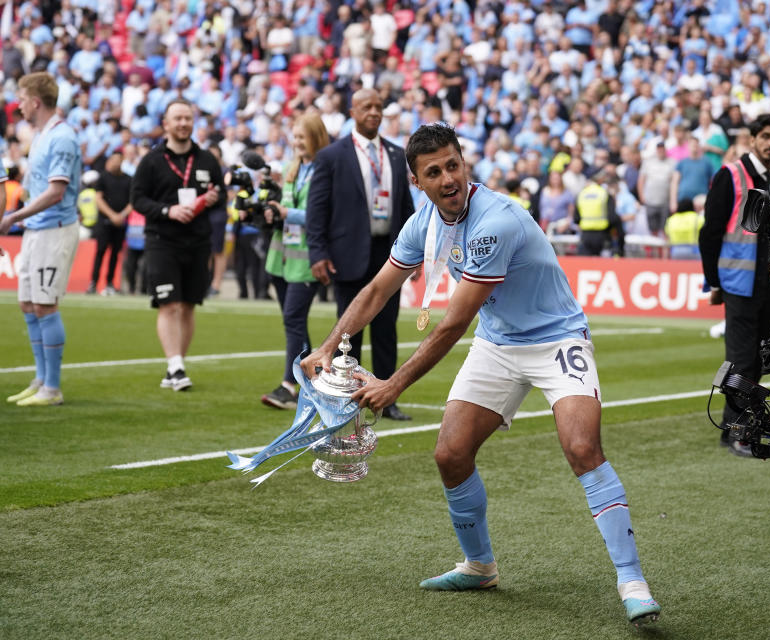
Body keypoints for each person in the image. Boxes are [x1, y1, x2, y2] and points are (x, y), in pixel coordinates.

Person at [300, 123, 662, 628]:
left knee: (582, 448)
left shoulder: (497, 219)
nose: (448, 177)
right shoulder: (421, 222)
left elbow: (452, 324)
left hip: (556, 338)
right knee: (450, 453)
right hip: (499, 344)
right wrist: (329, 344)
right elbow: (377, 289)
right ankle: (479, 566)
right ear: (417, 181)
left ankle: (632, 579)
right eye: (434, 171)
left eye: (453, 164)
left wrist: (393, 384)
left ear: (464, 163)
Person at [306, 88, 415, 421]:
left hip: (389, 252)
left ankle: (386, 396)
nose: (374, 112)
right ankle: (344, 393)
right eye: (367, 106)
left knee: (387, 328)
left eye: (379, 107)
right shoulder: (332, 155)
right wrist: (318, 252)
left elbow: (407, 209)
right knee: (348, 332)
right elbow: (317, 208)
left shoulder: (397, 155)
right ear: (352, 111)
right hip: (347, 252)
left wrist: (415, 251)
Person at [698, 114, 770, 456]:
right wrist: (714, 281)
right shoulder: (731, 175)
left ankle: (741, 427)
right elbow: (710, 231)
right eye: (766, 136)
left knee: (759, 357)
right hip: (738, 281)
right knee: (741, 360)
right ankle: (735, 432)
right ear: (752, 139)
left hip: (768, 282)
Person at [131, 99, 226, 391]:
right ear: (166, 124)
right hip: (162, 241)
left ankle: (177, 366)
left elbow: (221, 194)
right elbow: (137, 199)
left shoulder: (208, 159)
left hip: (197, 242)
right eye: (178, 118)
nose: (183, 123)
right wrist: (167, 210)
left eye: (187, 118)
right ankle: (175, 365)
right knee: (168, 304)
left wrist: (213, 199)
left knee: (187, 307)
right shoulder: (151, 160)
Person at [1, 72, 82, 407]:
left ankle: (53, 387)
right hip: (36, 228)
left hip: (54, 227)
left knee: (45, 304)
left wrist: (15, 216)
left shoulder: (61, 137)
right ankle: (40, 378)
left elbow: (55, 191)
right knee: (28, 304)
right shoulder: (42, 135)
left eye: (21, 99)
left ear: (35, 101)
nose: (18, 106)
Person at [260, 112, 330, 410]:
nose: (298, 143)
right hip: (283, 255)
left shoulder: (324, 169)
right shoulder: (294, 167)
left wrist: (288, 214)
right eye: (296, 137)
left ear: (316, 138)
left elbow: (323, 213)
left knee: (293, 318)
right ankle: (307, 380)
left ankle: (290, 384)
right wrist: (274, 211)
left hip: (307, 257)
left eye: (303, 137)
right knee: (294, 321)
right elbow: (289, 207)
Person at [87, 152, 131, 295]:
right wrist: (113, 215)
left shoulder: (128, 179)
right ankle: (93, 283)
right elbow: (98, 199)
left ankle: (110, 283)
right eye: (113, 160)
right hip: (104, 222)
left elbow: (133, 201)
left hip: (120, 223)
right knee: (100, 252)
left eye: (118, 160)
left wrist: (121, 216)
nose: (115, 163)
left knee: (115, 253)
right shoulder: (103, 177)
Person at [574, 171, 623, 256]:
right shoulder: (604, 193)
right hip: (602, 234)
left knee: (586, 264)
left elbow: (576, 218)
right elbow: (612, 218)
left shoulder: (582, 193)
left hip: (585, 234)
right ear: (600, 180)